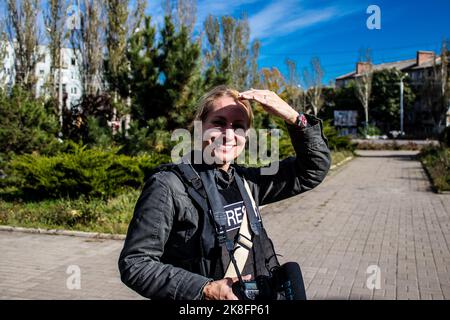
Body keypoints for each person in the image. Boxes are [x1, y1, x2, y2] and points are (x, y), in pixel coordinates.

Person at [118, 85, 331, 300]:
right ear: (199, 127)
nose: (229, 134)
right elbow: (135, 263)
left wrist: (294, 118)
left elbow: (312, 170)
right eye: (218, 123)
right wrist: (205, 289)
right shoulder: (169, 186)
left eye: (239, 126)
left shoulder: (248, 181)